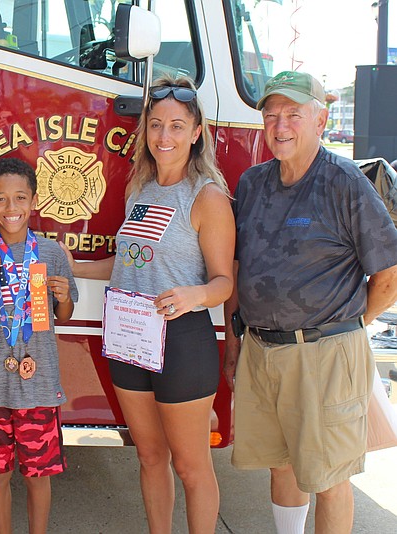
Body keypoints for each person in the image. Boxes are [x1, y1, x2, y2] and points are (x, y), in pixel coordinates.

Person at [223, 70, 397, 534]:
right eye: (272, 115)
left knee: (329, 477)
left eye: (293, 114)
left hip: (324, 354)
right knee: (281, 463)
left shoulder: (343, 182)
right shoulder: (253, 182)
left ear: (320, 120)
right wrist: (234, 336)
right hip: (261, 349)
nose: (280, 125)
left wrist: (346, 329)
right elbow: (239, 267)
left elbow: (390, 274)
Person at [65, 75, 234, 533]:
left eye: (177, 126)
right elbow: (124, 265)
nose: (165, 136)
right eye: (156, 125)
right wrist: (67, 263)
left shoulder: (208, 197)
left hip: (181, 340)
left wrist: (193, 295)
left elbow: (224, 282)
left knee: (191, 465)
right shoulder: (139, 189)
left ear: (197, 132)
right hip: (129, 339)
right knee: (150, 456)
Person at [0, 157, 77, 534]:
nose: (12, 209)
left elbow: (67, 315)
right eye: (2, 200)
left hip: (39, 387)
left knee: (38, 476)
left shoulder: (53, 254)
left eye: (20, 198)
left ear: (34, 201)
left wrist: (61, 298)